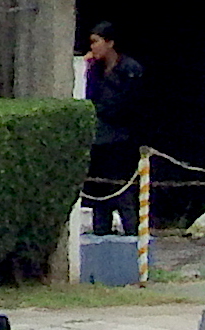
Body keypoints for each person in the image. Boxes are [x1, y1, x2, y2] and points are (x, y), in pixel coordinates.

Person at [84, 22, 144, 236]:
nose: (93, 48)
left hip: (121, 140)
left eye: (96, 42)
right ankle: (101, 232)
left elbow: (128, 105)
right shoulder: (95, 70)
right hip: (99, 140)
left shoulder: (129, 70)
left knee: (122, 191)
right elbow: (87, 97)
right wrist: (88, 69)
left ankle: (132, 236)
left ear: (109, 43)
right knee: (100, 194)